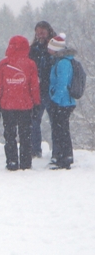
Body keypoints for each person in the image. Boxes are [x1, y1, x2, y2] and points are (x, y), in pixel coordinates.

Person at [0, 35, 40, 171]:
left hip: (7, 106)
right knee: (25, 135)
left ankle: (12, 161)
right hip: (25, 106)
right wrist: (36, 103)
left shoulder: (3, 64)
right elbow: (34, 86)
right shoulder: (30, 64)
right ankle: (26, 162)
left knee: (9, 135)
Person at [47, 33, 77, 169]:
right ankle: (64, 156)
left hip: (63, 103)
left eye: (50, 47)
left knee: (61, 130)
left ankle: (64, 158)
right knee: (61, 129)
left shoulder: (63, 63)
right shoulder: (61, 61)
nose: (48, 50)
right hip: (64, 102)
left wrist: (55, 100)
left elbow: (62, 84)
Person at [29, 21, 57, 158]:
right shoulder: (33, 49)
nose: (40, 35)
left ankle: (57, 151)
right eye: (38, 32)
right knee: (34, 121)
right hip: (37, 91)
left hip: (52, 90)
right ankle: (35, 150)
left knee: (55, 122)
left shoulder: (54, 48)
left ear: (48, 32)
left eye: (43, 32)